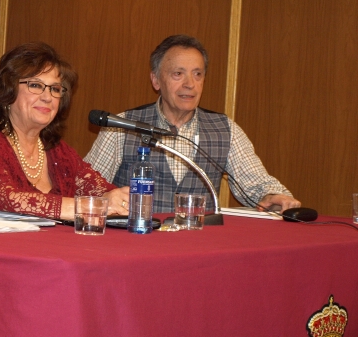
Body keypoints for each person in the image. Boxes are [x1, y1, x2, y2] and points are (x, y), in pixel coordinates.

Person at [84, 34, 301, 213]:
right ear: (156, 80)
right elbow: (84, 188)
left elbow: (257, 185)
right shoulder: (122, 127)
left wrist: (273, 197)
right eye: (178, 74)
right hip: (137, 243)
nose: (190, 84)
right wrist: (107, 198)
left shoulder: (224, 129)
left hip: (200, 246)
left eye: (197, 74)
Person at [0, 42, 129, 220]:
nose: (47, 97)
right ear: (7, 91)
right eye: (35, 85)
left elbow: (105, 193)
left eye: (55, 89)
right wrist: (95, 206)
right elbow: (8, 202)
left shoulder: (60, 153)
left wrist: (120, 199)